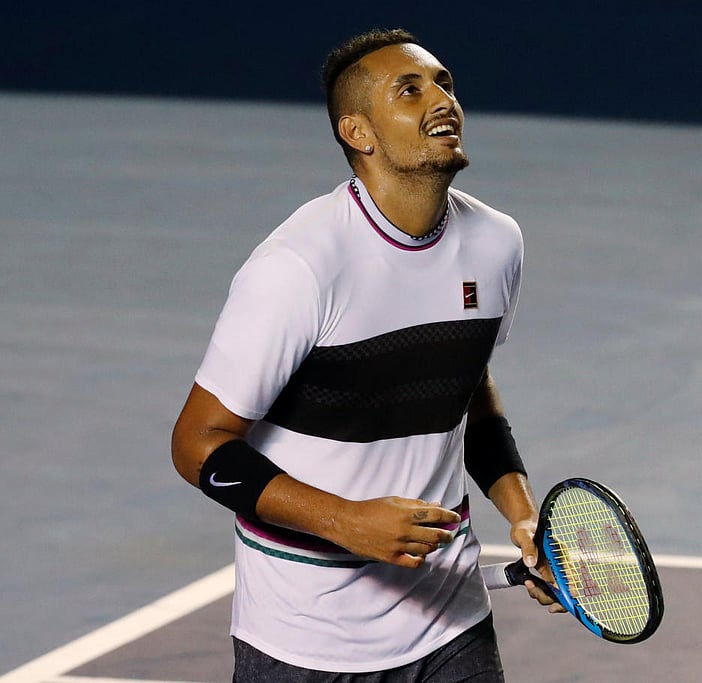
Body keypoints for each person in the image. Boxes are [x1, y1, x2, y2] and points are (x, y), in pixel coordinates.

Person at [171, 28, 559, 682]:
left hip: (450, 618)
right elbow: (197, 444)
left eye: (444, 84)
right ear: (359, 132)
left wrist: (523, 520)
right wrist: (344, 520)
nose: (441, 100)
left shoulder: (497, 244)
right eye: (410, 90)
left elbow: (464, 388)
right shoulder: (299, 268)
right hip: (304, 638)